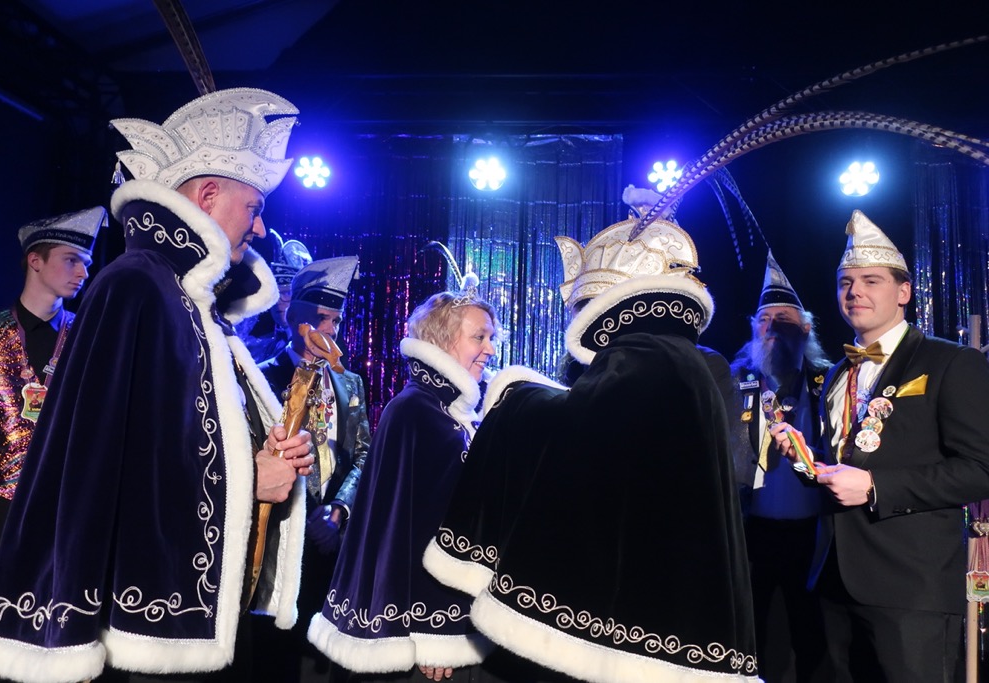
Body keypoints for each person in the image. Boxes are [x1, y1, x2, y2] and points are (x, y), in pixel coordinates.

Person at [0, 87, 315, 683]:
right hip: (136, 626)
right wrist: (249, 478)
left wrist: (270, 451)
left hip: (190, 607)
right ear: (208, 195)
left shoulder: (198, 306)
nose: (260, 227)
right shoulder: (135, 285)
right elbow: (102, 458)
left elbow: (187, 434)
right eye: (253, 207)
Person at [424, 187, 758, 682]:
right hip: (671, 596)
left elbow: (583, 432)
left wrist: (515, 394)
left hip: (639, 602)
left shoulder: (644, 355)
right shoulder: (677, 357)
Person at [770, 209, 989, 682]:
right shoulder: (837, 373)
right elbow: (845, 467)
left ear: (904, 292)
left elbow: (981, 469)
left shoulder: (951, 362)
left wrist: (875, 486)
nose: (855, 292)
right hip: (832, 578)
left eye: (872, 281)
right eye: (846, 283)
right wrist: (807, 461)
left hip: (911, 585)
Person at [307, 279, 499, 682]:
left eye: (491, 338)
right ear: (443, 340)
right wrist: (435, 630)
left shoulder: (448, 413)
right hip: (425, 634)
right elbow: (416, 530)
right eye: (479, 337)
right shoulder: (417, 412)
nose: (490, 349)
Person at [0, 207, 103, 640]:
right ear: (35, 260)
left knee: (48, 633)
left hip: (63, 510)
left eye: (87, 262)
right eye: (71, 259)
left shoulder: (89, 340)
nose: (83, 272)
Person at [254, 255, 371, 682]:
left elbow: (363, 455)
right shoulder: (263, 378)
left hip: (332, 543)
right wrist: (304, 516)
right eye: (322, 318)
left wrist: (338, 511)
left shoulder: (350, 383)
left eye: (336, 321)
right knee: (274, 659)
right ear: (294, 317)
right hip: (278, 538)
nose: (330, 330)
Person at [728, 251, 831, 682]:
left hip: (814, 533)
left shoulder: (829, 380)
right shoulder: (734, 381)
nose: (771, 328)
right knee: (748, 631)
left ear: (806, 328)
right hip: (751, 529)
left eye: (784, 320)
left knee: (813, 634)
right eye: (764, 320)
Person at [239, 229, 313, 363]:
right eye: (275, 294)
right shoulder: (263, 346)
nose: (279, 301)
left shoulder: (321, 344)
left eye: (286, 293)